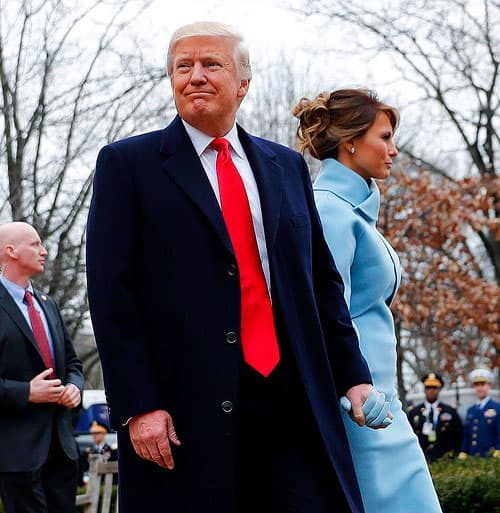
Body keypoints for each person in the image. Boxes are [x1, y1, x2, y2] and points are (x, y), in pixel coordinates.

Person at [86, 21, 391, 513]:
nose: (196, 76)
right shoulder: (128, 165)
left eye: (212, 64)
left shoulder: (285, 167)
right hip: (185, 415)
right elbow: (111, 295)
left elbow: (322, 285)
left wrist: (353, 376)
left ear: (243, 82)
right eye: (183, 66)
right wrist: (140, 404)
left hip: (295, 401)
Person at [293, 89, 442, 513]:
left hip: (381, 402)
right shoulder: (330, 211)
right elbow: (324, 313)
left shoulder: (351, 212)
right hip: (358, 407)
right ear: (350, 141)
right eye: (385, 137)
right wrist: (353, 388)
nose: (394, 150)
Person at [0, 222, 84, 513]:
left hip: (62, 451)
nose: (44, 251)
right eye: (35, 244)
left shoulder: (49, 306)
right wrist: (27, 392)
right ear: (11, 251)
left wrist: (75, 387)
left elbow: (73, 364)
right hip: (16, 455)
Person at [408, 372, 463, 462]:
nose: (431, 390)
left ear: (439, 389)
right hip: (421, 459)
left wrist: (455, 455)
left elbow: (458, 435)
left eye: (434, 388)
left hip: (445, 460)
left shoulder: (449, 411)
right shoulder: (414, 412)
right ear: (424, 389)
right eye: (428, 387)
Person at [459, 368, 500, 458]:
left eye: (482, 384)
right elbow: (467, 434)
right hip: (473, 457)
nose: (479, 388)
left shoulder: (497, 408)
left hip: (491, 457)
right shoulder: (471, 410)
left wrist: (498, 449)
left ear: (489, 386)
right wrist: (463, 451)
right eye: (477, 385)